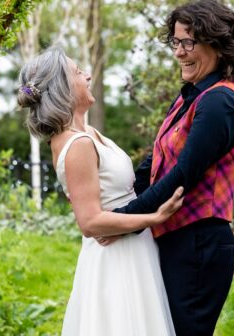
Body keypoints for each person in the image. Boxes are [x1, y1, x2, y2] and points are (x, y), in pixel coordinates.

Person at [17, 47, 183, 336]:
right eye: (79, 72)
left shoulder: (88, 134)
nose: (88, 75)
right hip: (117, 261)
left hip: (132, 251)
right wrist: (154, 218)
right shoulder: (77, 144)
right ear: (63, 87)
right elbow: (90, 222)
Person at [113, 0, 234, 336]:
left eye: (188, 42)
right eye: (176, 42)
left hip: (200, 245)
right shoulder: (190, 95)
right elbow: (155, 163)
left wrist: (127, 219)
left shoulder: (222, 101)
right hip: (176, 239)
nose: (179, 52)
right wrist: (112, 207)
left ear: (217, 44)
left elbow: (183, 176)